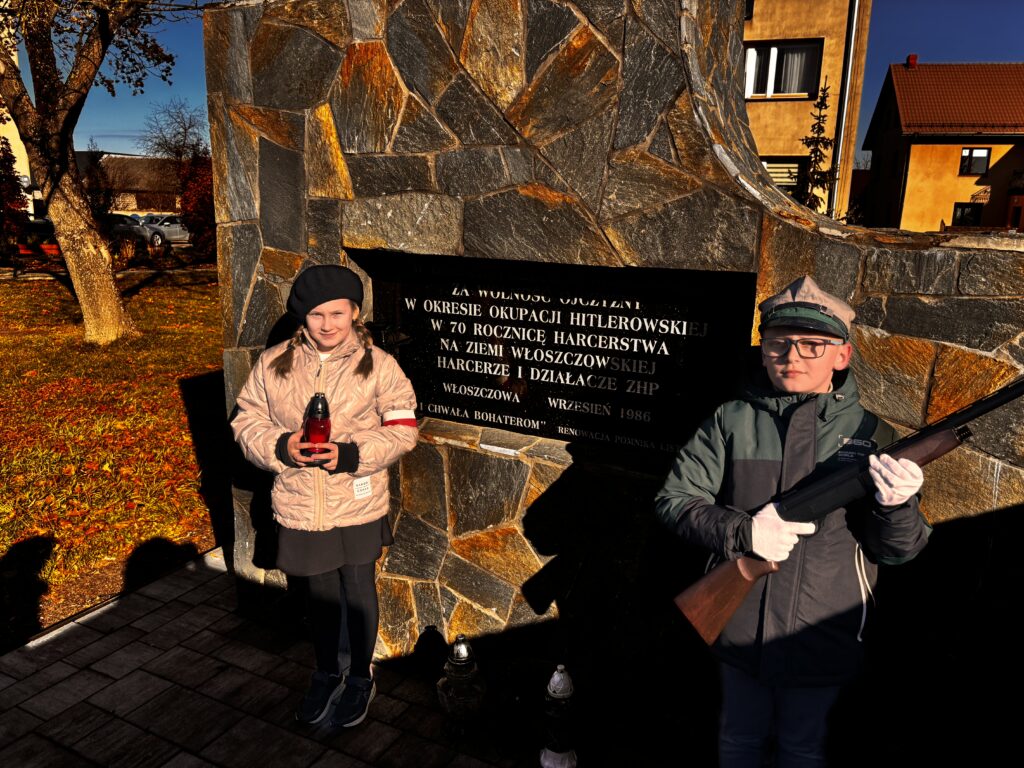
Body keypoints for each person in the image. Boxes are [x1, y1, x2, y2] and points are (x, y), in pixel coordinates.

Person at [655, 276, 931, 767]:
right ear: (763, 351)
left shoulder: (876, 436)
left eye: (812, 344)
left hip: (823, 630)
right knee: (738, 740)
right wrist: (745, 532)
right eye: (779, 342)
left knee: (803, 748)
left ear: (842, 355)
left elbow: (898, 550)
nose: (792, 355)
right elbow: (675, 500)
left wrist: (897, 506)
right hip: (739, 621)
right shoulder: (731, 420)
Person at [231, 265, 417, 729]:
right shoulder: (273, 363)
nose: (328, 324)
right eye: (317, 314)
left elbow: (402, 430)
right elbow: (246, 420)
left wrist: (352, 454)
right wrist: (281, 447)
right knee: (319, 594)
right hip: (299, 502)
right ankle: (327, 671)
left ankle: (361, 677)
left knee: (357, 588)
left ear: (355, 312)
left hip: (355, 501)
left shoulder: (379, 365)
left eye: (338, 312)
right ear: (303, 316)